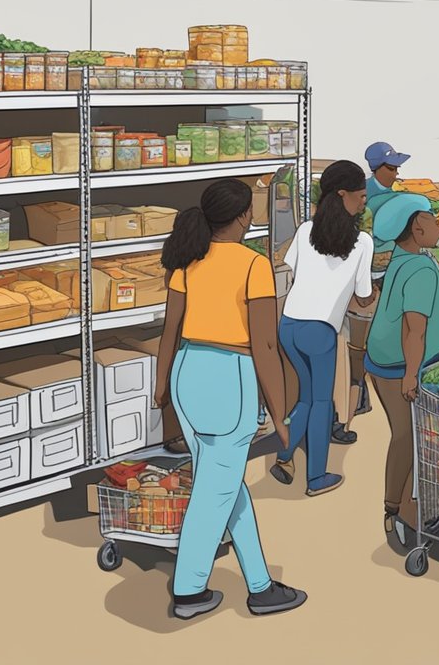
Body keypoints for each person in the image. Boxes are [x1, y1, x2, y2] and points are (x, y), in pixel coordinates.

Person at [155, 179, 305, 620]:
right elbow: (264, 345)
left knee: (224, 484)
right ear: (243, 216)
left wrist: (161, 387)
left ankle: (259, 585)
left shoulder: (188, 261)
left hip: (188, 372)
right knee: (212, 492)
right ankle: (188, 591)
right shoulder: (252, 265)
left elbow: (170, 330)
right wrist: (279, 413)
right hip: (229, 378)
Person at [270, 161, 374, 495]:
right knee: (321, 404)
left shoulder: (304, 231)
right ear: (342, 194)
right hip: (320, 333)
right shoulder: (362, 243)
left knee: (304, 398)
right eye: (360, 196)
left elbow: (292, 272)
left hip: (289, 325)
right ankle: (316, 477)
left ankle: (284, 457)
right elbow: (362, 297)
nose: (364, 202)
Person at [364, 193, 439, 544]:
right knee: (411, 438)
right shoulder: (421, 269)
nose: (438, 224)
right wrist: (412, 374)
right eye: (432, 219)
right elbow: (413, 328)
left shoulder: (404, 259)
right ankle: (402, 511)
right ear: (417, 228)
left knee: (405, 435)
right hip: (401, 364)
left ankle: (397, 506)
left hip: (382, 360)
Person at [365, 141, 411, 254]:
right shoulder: (362, 191)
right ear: (376, 168)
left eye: (396, 169)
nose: (395, 174)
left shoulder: (394, 192)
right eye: (391, 169)